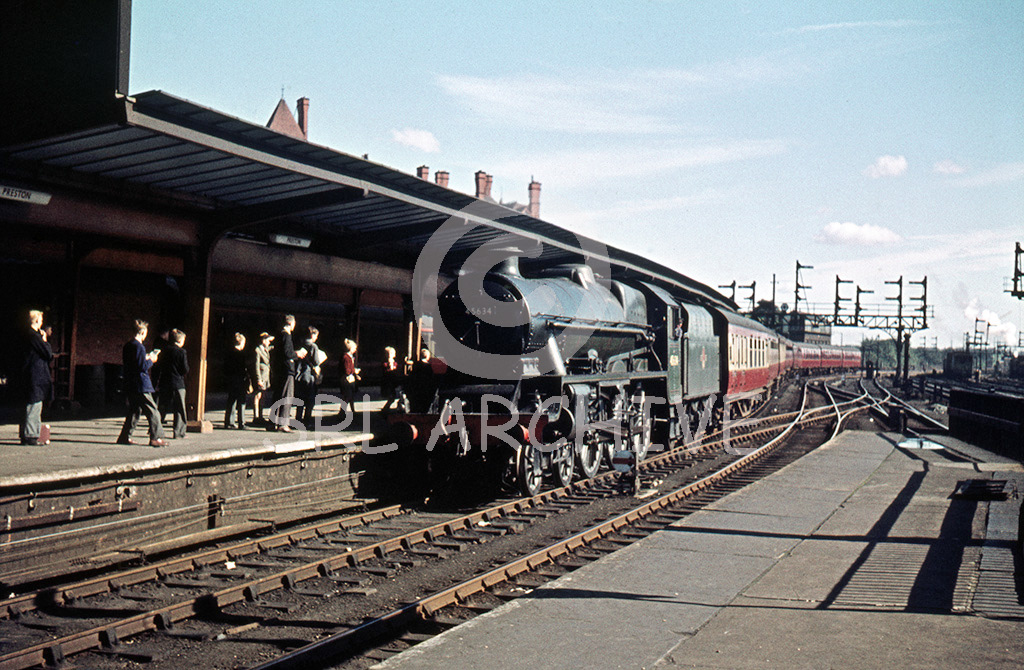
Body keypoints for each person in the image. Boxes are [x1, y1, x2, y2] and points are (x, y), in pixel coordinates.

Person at [117, 319, 166, 447]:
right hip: (141, 384)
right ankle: (156, 438)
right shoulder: (139, 346)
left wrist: (146, 357)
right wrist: (152, 360)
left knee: (134, 411)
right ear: (142, 332)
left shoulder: (128, 345)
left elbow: (133, 363)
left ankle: (124, 436)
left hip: (131, 383)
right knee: (153, 411)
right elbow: (142, 366)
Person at [18, 310, 53, 445]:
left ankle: (26, 434)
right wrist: (44, 340)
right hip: (36, 376)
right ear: (37, 320)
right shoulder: (34, 337)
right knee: (35, 405)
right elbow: (47, 354)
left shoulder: (25, 335)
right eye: (41, 320)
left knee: (29, 405)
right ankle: (31, 435)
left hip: (28, 374)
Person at [269, 315, 304, 432]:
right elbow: (288, 353)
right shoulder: (286, 335)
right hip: (287, 370)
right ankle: (283, 424)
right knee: (287, 396)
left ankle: (272, 422)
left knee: (278, 395)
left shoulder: (279, 335)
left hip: (280, 369)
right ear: (291, 324)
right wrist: (297, 354)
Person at [159, 329, 189, 439]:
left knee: (162, 407)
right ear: (180, 340)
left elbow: (160, 365)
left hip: (165, 382)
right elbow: (185, 369)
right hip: (178, 383)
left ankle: (155, 429)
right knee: (179, 409)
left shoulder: (165, 350)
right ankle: (179, 432)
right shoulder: (182, 352)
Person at [295, 326, 323, 426]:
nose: (316, 338)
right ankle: (307, 420)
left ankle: (298, 419)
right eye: (316, 336)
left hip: (300, 374)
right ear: (313, 335)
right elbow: (316, 361)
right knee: (310, 399)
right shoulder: (313, 346)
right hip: (309, 375)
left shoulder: (301, 344)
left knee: (300, 399)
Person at [224, 332, 249, 429]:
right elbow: (243, 368)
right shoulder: (241, 355)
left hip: (231, 379)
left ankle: (229, 421)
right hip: (240, 379)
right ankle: (241, 422)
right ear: (241, 343)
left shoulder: (229, 353)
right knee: (241, 401)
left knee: (231, 400)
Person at [250, 332, 273, 425]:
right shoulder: (258, 350)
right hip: (261, 376)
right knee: (258, 396)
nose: (269, 342)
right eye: (267, 340)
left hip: (266, 376)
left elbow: (273, 346)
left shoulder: (266, 349)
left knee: (263, 396)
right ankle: (256, 416)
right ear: (263, 340)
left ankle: (261, 415)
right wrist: (258, 379)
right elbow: (256, 365)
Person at [408, 347, 438, 412]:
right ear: (427, 356)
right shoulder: (429, 366)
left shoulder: (416, 365)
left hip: (417, 388)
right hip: (426, 388)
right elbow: (432, 378)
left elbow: (412, 376)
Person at [337, 338, 361, 415]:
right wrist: (355, 371)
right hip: (347, 380)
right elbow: (347, 370)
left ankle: (350, 410)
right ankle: (343, 411)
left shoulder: (347, 356)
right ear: (350, 348)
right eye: (355, 348)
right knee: (348, 396)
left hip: (348, 379)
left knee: (349, 396)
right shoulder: (346, 358)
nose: (355, 350)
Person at [380, 346, 403, 411]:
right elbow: (388, 370)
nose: (394, 354)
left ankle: (386, 408)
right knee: (391, 397)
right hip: (388, 382)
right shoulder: (385, 363)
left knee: (393, 396)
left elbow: (396, 368)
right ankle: (385, 409)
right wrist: (390, 364)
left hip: (393, 381)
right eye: (392, 353)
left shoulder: (395, 362)